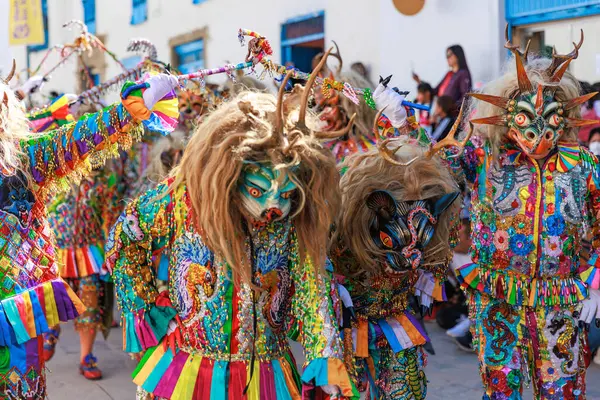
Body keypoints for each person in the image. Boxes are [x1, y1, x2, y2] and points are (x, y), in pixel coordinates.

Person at [106, 55, 357, 400]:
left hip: (265, 371)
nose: (274, 206)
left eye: (285, 193)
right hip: (188, 365)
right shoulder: (186, 200)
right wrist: (145, 306)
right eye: (257, 190)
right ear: (230, 173)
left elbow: (314, 284)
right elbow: (126, 235)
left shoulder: (293, 222)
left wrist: (324, 356)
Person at [0, 61, 178, 398]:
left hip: (18, 308)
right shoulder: (26, 157)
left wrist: (130, 109)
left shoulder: (23, 160)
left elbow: (78, 137)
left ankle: (85, 352)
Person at [450, 31, 600, 399]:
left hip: (559, 297)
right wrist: (399, 126)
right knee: (502, 390)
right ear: (506, 116)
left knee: (561, 390)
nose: (538, 135)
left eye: (549, 118)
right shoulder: (485, 156)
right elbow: (432, 174)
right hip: (496, 294)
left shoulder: (581, 163)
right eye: (525, 120)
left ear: (564, 116)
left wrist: (595, 279)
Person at [330, 78, 463, 399]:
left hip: (397, 325)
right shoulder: (344, 201)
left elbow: (427, 160)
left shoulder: (419, 200)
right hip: (345, 330)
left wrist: (403, 123)